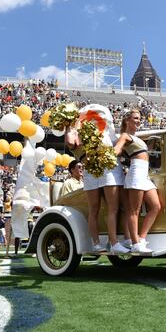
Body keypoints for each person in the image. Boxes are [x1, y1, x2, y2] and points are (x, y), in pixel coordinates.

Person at [65, 108, 126, 254]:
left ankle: (114, 243)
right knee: (95, 208)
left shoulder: (107, 135)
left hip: (108, 170)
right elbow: (70, 143)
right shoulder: (78, 135)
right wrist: (68, 125)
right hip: (92, 172)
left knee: (112, 207)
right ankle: (97, 243)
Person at [114, 110, 160, 254]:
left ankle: (141, 238)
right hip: (136, 172)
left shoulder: (137, 137)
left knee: (156, 206)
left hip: (144, 174)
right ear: (127, 120)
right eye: (135, 118)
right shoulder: (125, 135)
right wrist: (111, 152)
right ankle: (135, 243)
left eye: (139, 118)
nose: (139, 121)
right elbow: (117, 149)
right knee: (134, 210)